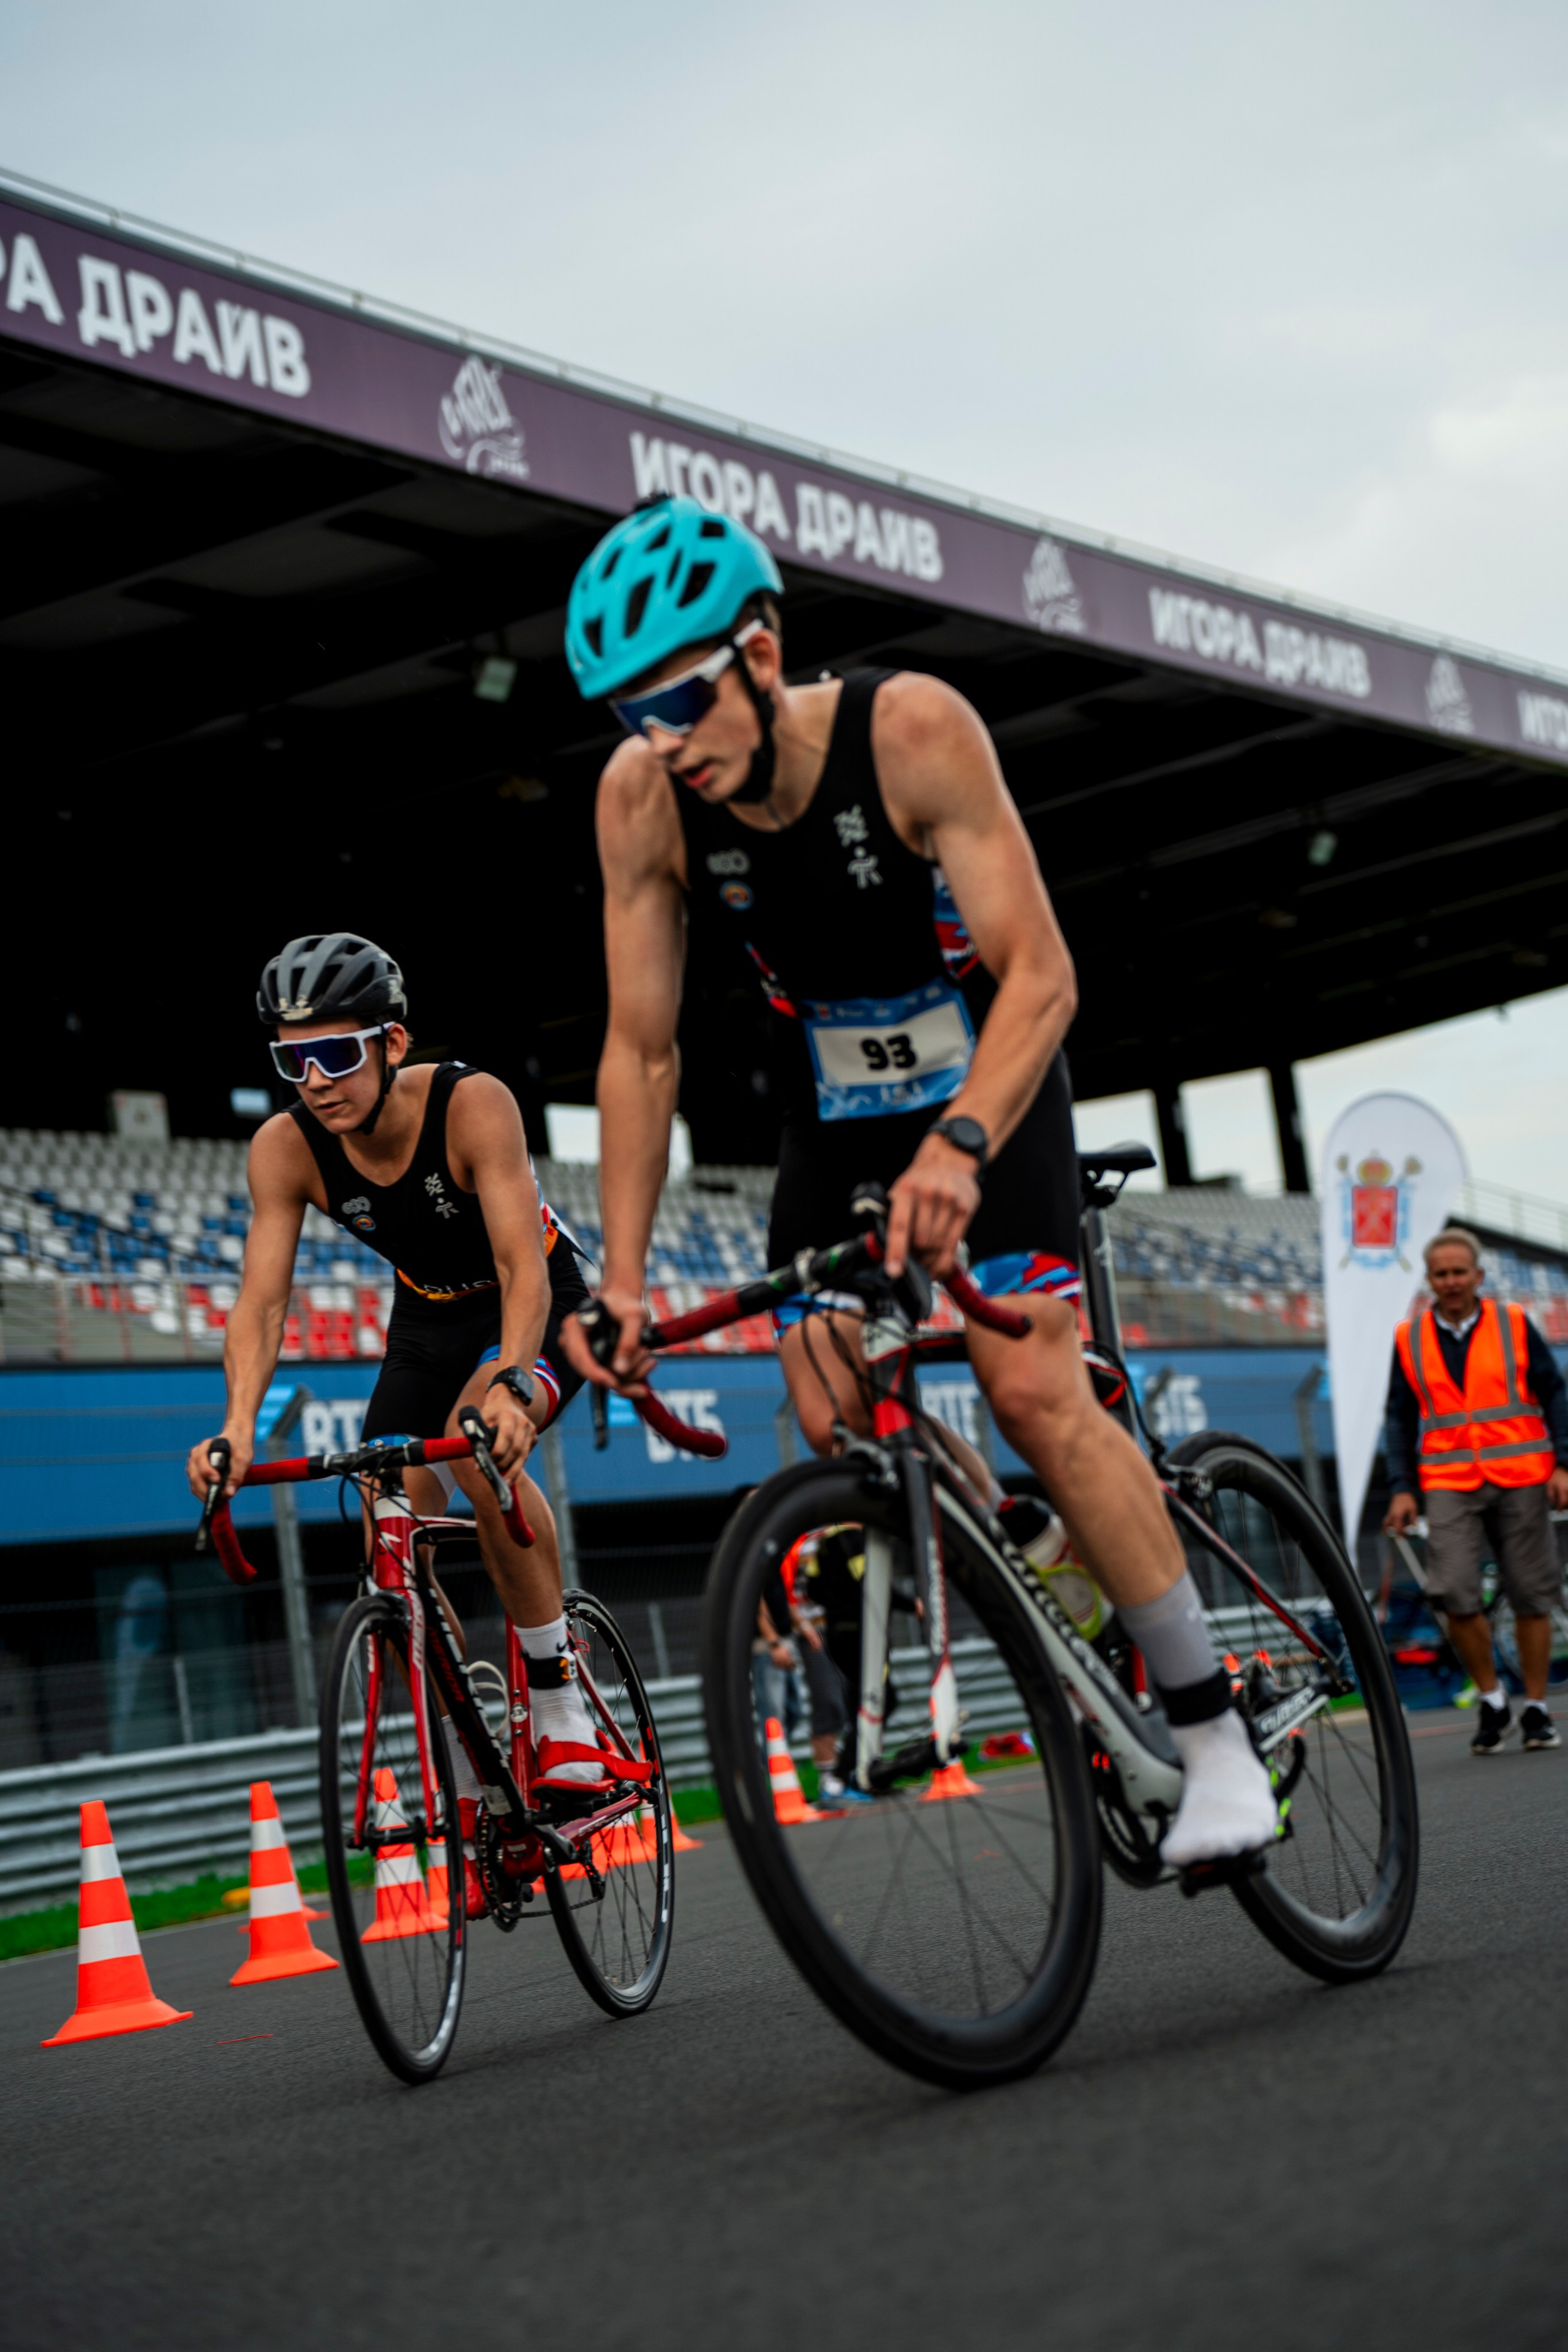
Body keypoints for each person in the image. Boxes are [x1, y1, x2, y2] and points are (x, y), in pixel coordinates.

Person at [559, 496, 1277, 1867]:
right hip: (832, 1110)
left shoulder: (911, 730)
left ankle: (1208, 1735)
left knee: (1025, 1379)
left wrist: (958, 1145)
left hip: (985, 1076)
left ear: (759, 653)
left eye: (678, 699)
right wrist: (627, 1278)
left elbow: (1042, 974)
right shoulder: (644, 796)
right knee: (826, 1388)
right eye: (624, 713)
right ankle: (1027, 1549)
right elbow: (639, 1055)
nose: (659, 739)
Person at [185, 933, 618, 1910]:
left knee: (475, 1441)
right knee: (384, 1521)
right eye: (292, 1062)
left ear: (392, 1042)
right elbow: (260, 1302)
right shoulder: (284, 1147)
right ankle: (475, 1748)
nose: (316, 1081)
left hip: (541, 1298)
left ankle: (558, 1699)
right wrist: (238, 1428)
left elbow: (518, 1265)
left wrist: (513, 1380)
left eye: (336, 1055)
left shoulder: (473, 1102)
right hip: (428, 1313)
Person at [1383, 1226, 1567, 1753]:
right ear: (1430, 1279)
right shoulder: (1409, 1338)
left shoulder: (1513, 1324)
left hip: (1523, 1475)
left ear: (1478, 1276)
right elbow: (1399, 1418)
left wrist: (1564, 1464)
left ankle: (1534, 1709)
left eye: (1459, 1272)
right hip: (1448, 1482)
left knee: (1532, 1593)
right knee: (1453, 1592)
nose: (1451, 1281)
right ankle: (1490, 1699)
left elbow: (1554, 1393)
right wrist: (1402, 1487)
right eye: (1440, 1273)